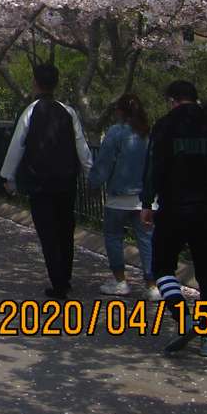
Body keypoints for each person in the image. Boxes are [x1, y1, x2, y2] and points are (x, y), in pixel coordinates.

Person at [142, 79, 207, 358]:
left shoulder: (165, 126)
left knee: (162, 267)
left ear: (172, 100)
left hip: (173, 207)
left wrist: (147, 202)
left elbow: (154, 167)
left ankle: (181, 313)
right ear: (195, 98)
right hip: (206, 208)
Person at [0, 64, 92, 299]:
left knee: (48, 232)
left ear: (35, 83)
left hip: (40, 182)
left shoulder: (30, 111)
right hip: (66, 180)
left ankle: (58, 281)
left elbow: (17, 146)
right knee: (65, 228)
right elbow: (81, 145)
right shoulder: (68, 111)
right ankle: (65, 277)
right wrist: (90, 173)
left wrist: (8, 177)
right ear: (56, 83)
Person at [89, 93, 158, 300]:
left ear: (120, 111)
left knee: (113, 237)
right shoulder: (149, 134)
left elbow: (104, 162)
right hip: (145, 199)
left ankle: (120, 281)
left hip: (118, 197)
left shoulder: (115, 132)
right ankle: (152, 284)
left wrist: (94, 182)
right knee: (147, 240)